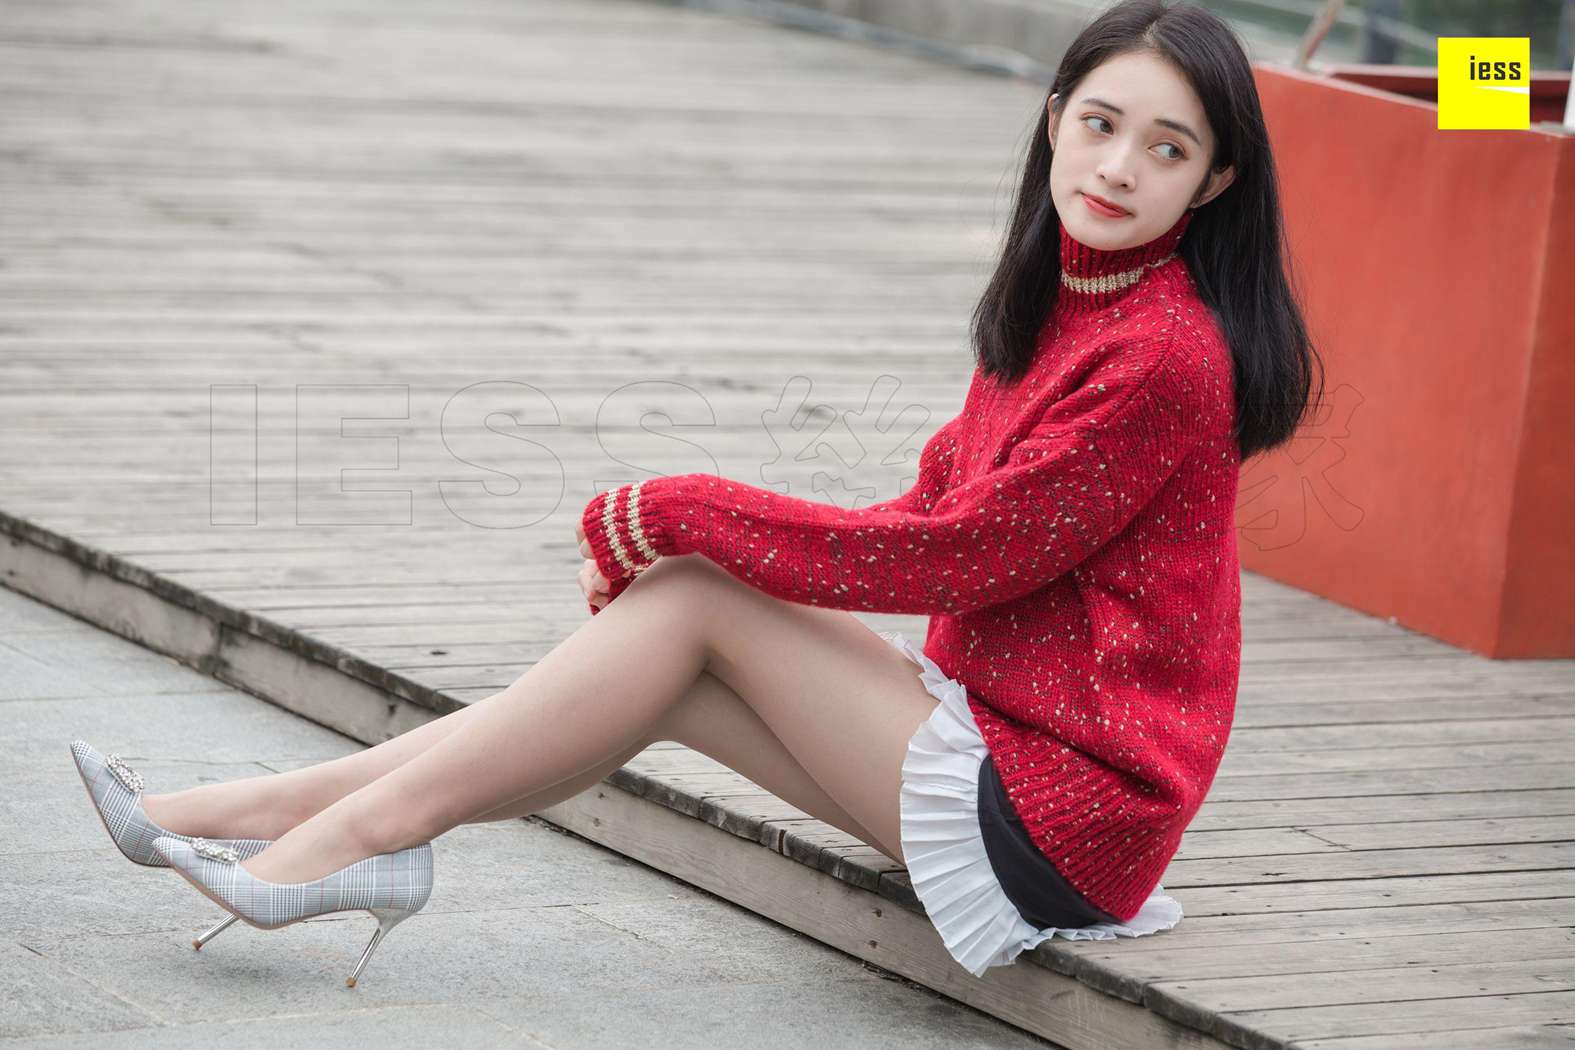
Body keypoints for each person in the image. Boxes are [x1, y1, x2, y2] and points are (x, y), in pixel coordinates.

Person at [71, 0, 1318, 986]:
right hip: (998, 740)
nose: (1118, 168)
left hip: (1070, 811)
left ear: (1213, 183)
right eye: (1100, 125)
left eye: (1167, 149)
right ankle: (261, 818)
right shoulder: (1065, 303)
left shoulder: (1164, 356)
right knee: (657, 673)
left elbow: (957, 557)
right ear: (1052, 121)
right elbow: (920, 517)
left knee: (690, 594)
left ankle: (336, 842)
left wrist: (672, 510)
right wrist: (683, 532)